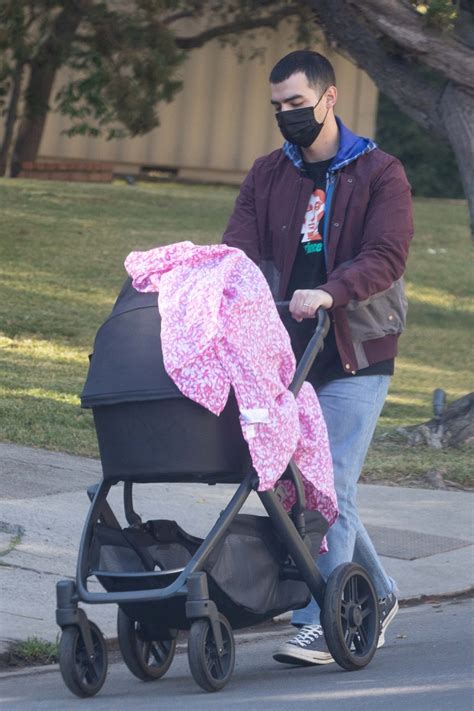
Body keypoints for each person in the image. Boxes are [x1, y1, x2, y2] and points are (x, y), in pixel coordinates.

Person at [222, 50, 413, 665]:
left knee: (330, 483)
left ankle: (318, 619)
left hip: (354, 350)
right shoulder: (266, 174)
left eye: (297, 104)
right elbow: (239, 253)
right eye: (277, 107)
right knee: (293, 489)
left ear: (329, 99)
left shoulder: (380, 172)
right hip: (284, 357)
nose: (286, 116)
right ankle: (376, 593)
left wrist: (331, 291)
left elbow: (386, 254)